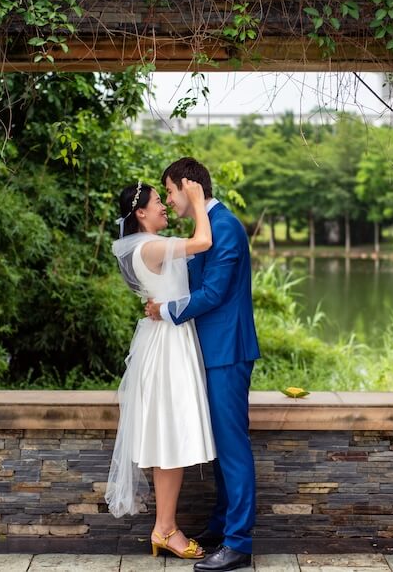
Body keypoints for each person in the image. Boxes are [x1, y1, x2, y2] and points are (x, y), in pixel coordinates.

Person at [145, 157, 260, 572]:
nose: (170, 200)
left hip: (228, 351)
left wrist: (165, 310)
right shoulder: (207, 229)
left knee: (232, 448)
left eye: (171, 191)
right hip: (209, 352)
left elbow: (212, 294)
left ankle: (239, 543)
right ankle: (221, 527)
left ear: (189, 187)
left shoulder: (225, 227)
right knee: (219, 451)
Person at [106, 179, 217, 560]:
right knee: (170, 437)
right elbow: (202, 242)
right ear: (141, 213)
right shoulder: (151, 246)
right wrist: (201, 202)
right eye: (158, 202)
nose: (164, 207)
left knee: (167, 436)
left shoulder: (145, 246)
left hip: (168, 338)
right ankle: (165, 528)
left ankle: (164, 526)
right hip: (168, 345)